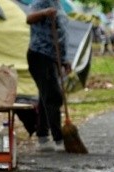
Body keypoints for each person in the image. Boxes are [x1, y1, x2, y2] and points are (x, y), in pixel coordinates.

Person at [26, 0, 71, 152]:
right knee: (53, 96)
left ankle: (43, 136)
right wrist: (44, 13)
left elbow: (61, 32)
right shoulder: (41, 2)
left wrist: (64, 59)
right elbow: (29, 18)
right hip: (40, 55)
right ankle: (59, 139)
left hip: (54, 57)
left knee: (45, 96)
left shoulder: (58, 4)